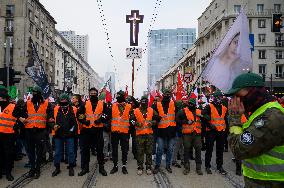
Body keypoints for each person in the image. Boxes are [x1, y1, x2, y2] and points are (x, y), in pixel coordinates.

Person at [226, 73, 284, 188]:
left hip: (271, 182)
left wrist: (234, 118)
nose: (235, 100)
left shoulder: (271, 117)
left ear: (254, 91)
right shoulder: (259, 112)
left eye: (238, 95)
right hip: (259, 181)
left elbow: (239, 149)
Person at [13, 86, 53, 179]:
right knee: (30, 152)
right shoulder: (28, 103)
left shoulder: (47, 104)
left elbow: (51, 116)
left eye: (36, 93)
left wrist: (51, 123)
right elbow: (15, 112)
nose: (34, 94)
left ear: (40, 94)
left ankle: (37, 169)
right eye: (33, 92)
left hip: (40, 131)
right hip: (29, 131)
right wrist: (21, 118)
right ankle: (32, 169)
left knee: (39, 152)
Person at [77, 88, 108, 176]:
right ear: (89, 94)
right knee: (86, 150)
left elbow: (107, 114)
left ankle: (101, 168)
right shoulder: (85, 103)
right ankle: (85, 168)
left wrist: (101, 120)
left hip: (98, 130)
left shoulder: (102, 103)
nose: (93, 94)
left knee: (99, 150)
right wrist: (84, 121)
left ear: (97, 94)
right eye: (92, 93)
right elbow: (79, 114)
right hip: (87, 130)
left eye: (95, 93)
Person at [51, 94, 78, 177]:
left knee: (70, 152)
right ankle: (57, 168)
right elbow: (50, 120)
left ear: (68, 101)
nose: (63, 103)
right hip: (58, 135)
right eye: (61, 102)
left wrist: (71, 132)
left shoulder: (73, 109)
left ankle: (71, 167)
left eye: (64, 102)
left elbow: (75, 123)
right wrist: (53, 126)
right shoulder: (55, 109)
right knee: (58, 152)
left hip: (69, 135)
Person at [202, 91, 228, 175]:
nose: (220, 99)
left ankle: (220, 166)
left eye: (221, 97)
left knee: (220, 150)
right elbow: (203, 114)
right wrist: (209, 123)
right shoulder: (209, 106)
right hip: (211, 132)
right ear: (214, 98)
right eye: (218, 97)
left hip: (221, 132)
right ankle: (207, 166)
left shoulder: (224, 108)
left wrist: (226, 131)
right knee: (209, 149)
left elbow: (225, 120)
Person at [132, 96, 158, 175]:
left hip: (149, 134)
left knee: (149, 152)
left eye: (145, 101)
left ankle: (148, 167)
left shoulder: (151, 110)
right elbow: (131, 120)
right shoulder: (135, 110)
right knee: (140, 152)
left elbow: (157, 119)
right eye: (142, 101)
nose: (144, 103)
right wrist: (136, 123)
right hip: (139, 135)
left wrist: (153, 123)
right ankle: (140, 167)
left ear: (147, 102)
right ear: (140, 102)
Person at [152, 89, 177, 174]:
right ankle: (157, 165)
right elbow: (150, 113)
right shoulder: (157, 104)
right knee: (160, 149)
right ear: (163, 94)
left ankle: (168, 165)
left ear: (170, 95)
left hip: (171, 132)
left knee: (170, 150)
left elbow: (179, 115)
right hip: (161, 132)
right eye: (166, 93)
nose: (167, 95)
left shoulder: (174, 104)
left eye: (168, 93)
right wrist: (156, 118)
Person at [176, 98, 203, 175]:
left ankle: (198, 168)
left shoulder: (198, 111)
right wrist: (186, 122)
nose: (190, 105)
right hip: (187, 134)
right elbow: (177, 120)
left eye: (192, 104)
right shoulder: (183, 111)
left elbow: (206, 119)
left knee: (198, 150)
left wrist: (202, 116)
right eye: (189, 103)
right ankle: (186, 167)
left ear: (195, 105)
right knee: (186, 150)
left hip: (197, 133)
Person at [110, 90, 132, 175]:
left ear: (123, 96)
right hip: (115, 131)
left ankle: (124, 166)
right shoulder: (113, 105)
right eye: (117, 95)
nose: (118, 97)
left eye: (120, 95)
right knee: (114, 149)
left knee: (124, 150)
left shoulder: (129, 106)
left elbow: (132, 118)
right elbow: (109, 116)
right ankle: (115, 165)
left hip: (124, 132)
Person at [0, 87, 17, 181]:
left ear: (4, 98)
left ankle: (8, 173)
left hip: (8, 135)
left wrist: (16, 127)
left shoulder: (13, 107)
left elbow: (19, 118)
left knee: (8, 155)